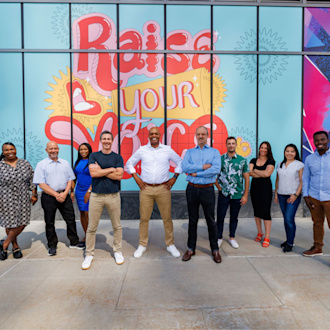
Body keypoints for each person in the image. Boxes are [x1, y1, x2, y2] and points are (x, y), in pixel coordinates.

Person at [126, 127, 182, 258]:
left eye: (156, 133)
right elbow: (129, 163)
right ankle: (142, 245)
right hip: (146, 189)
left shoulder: (167, 150)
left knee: (167, 218)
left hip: (163, 188)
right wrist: (137, 178)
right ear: (148, 136)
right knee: (144, 218)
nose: (154, 136)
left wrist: (175, 177)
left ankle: (170, 245)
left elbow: (180, 161)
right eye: (152, 134)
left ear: (160, 135)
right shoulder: (142, 150)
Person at [82, 130, 124, 270]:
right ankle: (89, 254)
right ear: (101, 141)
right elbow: (93, 173)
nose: (106, 141)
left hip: (113, 195)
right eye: (104, 139)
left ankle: (117, 251)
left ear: (112, 141)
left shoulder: (118, 157)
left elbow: (119, 176)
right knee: (92, 227)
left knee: (117, 226)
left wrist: (102, 170)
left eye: (109, 139)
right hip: (96, 196)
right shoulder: (94, 155)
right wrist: (111, 169)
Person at [33, 141, 84, 256]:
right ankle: (52, 245)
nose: (53, 150)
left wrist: (65, 193)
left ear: (58, 149)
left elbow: (70, 179)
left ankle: (74, 242)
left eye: (55, 148)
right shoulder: (41, 164)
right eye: (50, 148)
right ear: (46, 150)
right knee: (49, 222)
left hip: (64, 195)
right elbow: (41, 184)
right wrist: (56, 195)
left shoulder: (65, 163)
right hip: (49, 197)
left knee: (70, 219)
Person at [181, 126, 221, 263]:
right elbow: (185, 167)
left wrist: (197, 173)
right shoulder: (189, 152)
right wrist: (203, 167)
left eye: (203, 134)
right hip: (192, 189)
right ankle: (190, 248)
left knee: (211, 220)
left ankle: (215, 250)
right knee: (193, 220)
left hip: (207, 190)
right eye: (198, 134)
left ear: (207, 135)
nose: (201, 136)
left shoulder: (215, 152)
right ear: (196, 136)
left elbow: (215, 169)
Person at [0, 142, 37, 260]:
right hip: (5, 197)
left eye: (12, 149)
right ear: (3, 152)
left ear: (16, 150)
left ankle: (4, 243)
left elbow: (32, 178)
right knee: (10, 223)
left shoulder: (24, 163)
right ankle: (15, 246)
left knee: (24, 221)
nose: (10, 152)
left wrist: (34, 194)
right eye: (6, 150)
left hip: (23, 196)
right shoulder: (0, 165)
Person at [215, 137, 249, 249]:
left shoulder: (242, 160)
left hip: (237, 194)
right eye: (229, 143)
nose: (231, 145)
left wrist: (245, 195)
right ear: (226, 145)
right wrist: (219, 188)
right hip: (224, 193)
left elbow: (247, 178)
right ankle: (219, 237)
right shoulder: (220, 159)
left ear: (236, 145)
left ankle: (232, 238)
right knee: (220, 216)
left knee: (234, 217)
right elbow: (215, 175)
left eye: (233, 143)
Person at [302, 131, 330, 257]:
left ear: (327, 140)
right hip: (314, 197)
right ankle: (318, 247)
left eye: (322, 139)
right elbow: (306, 178)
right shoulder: (310, 159)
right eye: (317, 140)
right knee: (317, 224)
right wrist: (306, 195)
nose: (320, 142)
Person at [274, 144, 304, 253]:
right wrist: (276, 193)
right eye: (287, 151)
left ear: (295, 153)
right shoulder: (280, 164)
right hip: (281, 195)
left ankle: (290, 243)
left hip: (293, 196)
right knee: (286, 220)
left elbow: (302, 181)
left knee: (289, 219)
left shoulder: (299, 165)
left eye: (292, 151)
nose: (289, 153)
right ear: (284, 152)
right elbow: (277, 180)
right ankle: (288, 240)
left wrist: (296, 195)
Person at [249, 141, 275, 248]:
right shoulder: (253, 160)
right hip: (254, 188)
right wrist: (261, 173)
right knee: (257, 211)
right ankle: (260, 232)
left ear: (268, 150)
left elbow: (267, 174)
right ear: (259, 149)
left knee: (265, 211)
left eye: (265, 148)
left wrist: (255, 170)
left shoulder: (271, 161)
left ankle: (267, 236)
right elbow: (249, 172)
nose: (263, 150)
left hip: (265, 189)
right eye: (261, 147)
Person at [71, 143, 93, 240]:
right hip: (79, 191)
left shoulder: (93, 162)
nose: (83, 151)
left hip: (90, 191)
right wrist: (72, 191)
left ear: (89, 150)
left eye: (85, 149)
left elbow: (96, 178)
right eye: (81, 149)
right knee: (82, 213)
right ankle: (86, 234)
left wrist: (89, 191)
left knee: (88, 213)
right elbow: (74, 178)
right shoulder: (77, 162)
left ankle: (91, 234)